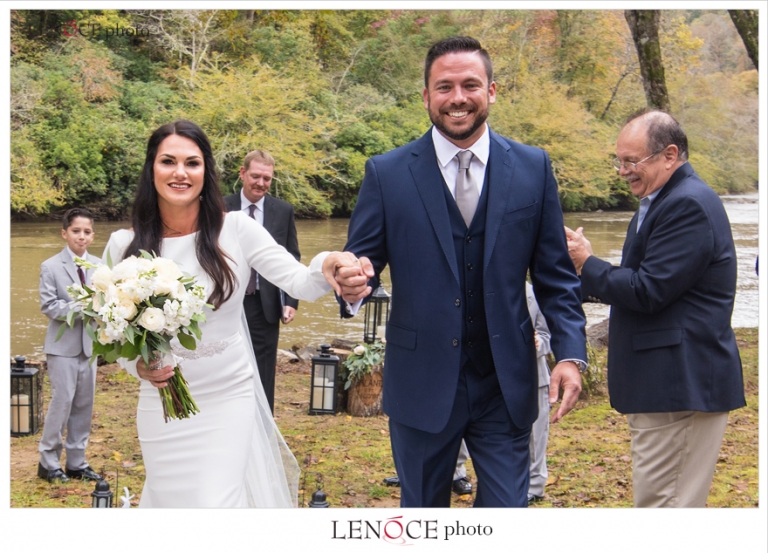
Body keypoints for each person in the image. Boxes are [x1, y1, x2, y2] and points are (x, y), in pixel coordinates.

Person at [334, 36, 587, 508]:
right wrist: (352, 287)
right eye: (444, 86)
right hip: (420, 382)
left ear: (491, 90)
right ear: (426, 96)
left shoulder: (533, 167)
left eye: (470, 84)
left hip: (505, 383)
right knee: (424, 521)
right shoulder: (386, 173)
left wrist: (571, 353)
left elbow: (556, 278)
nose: (458, 98)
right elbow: (360, 266)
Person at [102, 120, 353, 508]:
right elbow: (112, 333)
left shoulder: (236, 229)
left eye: (192, 163)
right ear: (152, 168)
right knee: (168, 503)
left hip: (228, 396)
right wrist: (138, 367)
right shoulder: (123, 245)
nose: (180, 172)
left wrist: (329, 263)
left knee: (215, 505)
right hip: (161, 403)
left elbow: (299, 280)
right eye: (168, 161)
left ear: (207, 171)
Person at [565, 108, 746, 508]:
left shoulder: (687, 205)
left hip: (679, 385)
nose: (622, 172)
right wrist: (575, 279)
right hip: (667, 386)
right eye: (619, 161)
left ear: (669, 155)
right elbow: (641, 281)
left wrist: (587, 264)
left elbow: (648, 290)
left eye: (632, 161)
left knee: (663, 507)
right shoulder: (662, 200)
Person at [452, 282, 553, 504]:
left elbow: (549, 333)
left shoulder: (534, 291)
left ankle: (535, 485)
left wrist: (539, 343)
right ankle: (457, 473)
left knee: (535, 435)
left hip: (531, 374)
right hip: (483, 376)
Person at [224, 150, 300, 413]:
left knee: (264, 368)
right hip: (226, 302)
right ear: (242, 173)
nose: (261, 183)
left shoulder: (283, 211)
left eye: (267, 178)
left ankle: (263, 423)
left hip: (265, 303)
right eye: (255, 176)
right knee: (226, 364)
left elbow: (291, 257)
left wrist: (291, 300)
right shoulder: (220, 207)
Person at [37, 208, 103, 483]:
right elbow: (49, 306)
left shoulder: (100, 266)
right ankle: (48, 462)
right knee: (62, 402)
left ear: (93, 236)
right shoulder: (50, 266)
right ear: (64, 233)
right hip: (62, 347)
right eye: (76, 231)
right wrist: (83, 306)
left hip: (90, 346)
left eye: (87, 232)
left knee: (84, 404)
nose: (81, 236)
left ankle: (77, 462)